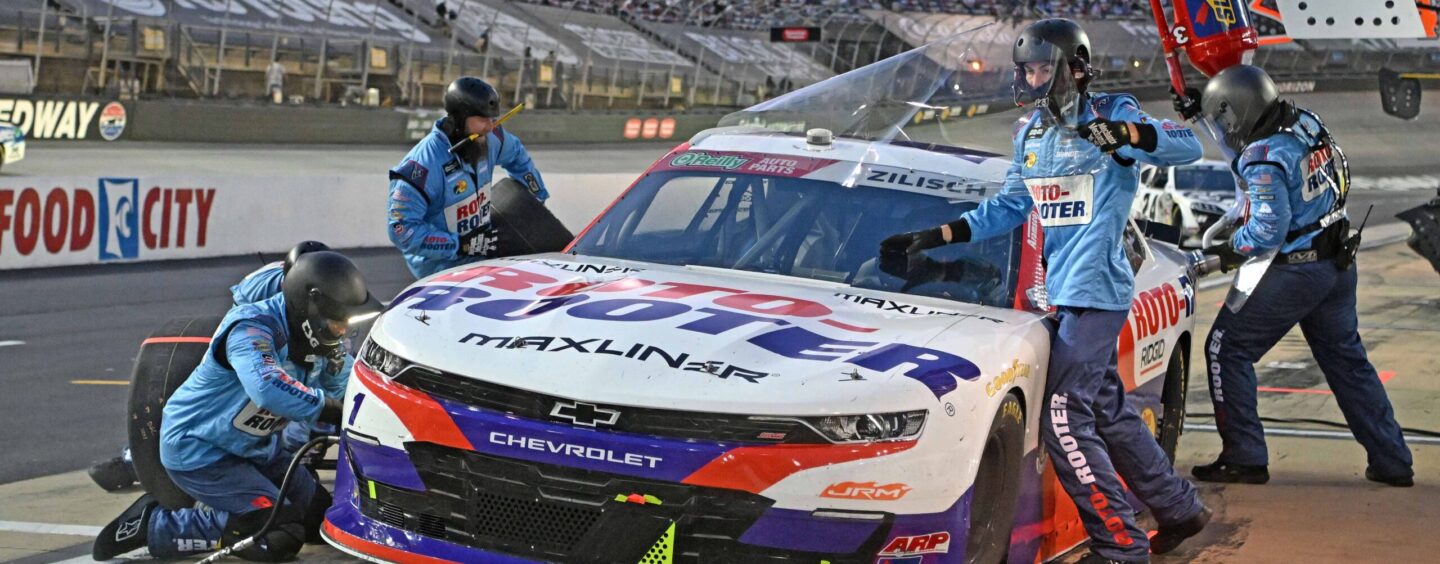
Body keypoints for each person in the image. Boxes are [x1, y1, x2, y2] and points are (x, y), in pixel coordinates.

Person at [881, 19, 1209, 563]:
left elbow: (1188, 146)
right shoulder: (1030, 135)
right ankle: (1179, 508)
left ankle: (1120, 545)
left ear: (1073, 70)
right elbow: (1008, 208)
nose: (1033, 79)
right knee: (1106, 410)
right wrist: (935, 236)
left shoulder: (1113, 112)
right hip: (1060, 296)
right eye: (1027, 70)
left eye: (1042, 69)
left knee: (1063, 419)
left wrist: (1128, 136)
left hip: (1096, 292)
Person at [1183, 64, 1413, 487]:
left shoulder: (1263, 158)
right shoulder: (1305, 121)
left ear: (1239, 110)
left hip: (1298, 271)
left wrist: (1226, 253)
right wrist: (1201, 116)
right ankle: (1393, 460)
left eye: (1224, 117)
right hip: (1337, 262)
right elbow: (1246, 151)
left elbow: (1268, 230)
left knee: (1224, 348)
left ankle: (1245, 456)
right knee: (1348, 363)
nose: (1224, 129)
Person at [92, 252, 382, 561]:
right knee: (279, 535)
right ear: (310, 309)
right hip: (200, 451)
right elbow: (267, 387)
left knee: (324, 522)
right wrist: (328, 408)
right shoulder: (251, 328)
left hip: (258, 451)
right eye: (337, 323)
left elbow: (350, 386)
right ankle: (154, 524)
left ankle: (245, 506)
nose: (342, 331)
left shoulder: (323, 342)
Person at [86, 242, 333, 493]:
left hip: (288, 352)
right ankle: (136, 457)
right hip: (255, 346)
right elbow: (246, 324)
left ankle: (295, 451)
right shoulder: (262, 288)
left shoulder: (332, 296)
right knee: (229, 395)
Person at [387, 77, 548, 279]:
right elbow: (402, 231)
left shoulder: (489, 138)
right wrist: (461, 244)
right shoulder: (422, 166)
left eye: (492, 119)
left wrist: (535, 198)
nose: (490, 126)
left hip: (482, 253)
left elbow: (516, 153)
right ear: (460, 117)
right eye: (483, 119)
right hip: (441, 268)